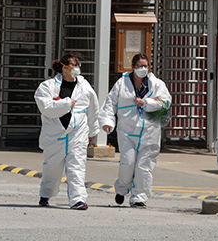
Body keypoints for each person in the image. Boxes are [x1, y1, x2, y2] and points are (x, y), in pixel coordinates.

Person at [99, 53, 172, 208]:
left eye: (146, 66)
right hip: (127, 131)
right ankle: (122, 188)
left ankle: (139, 197)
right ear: (133, 67)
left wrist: (146, 103)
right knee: (128, 163)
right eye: (140, 66)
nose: (143, 69)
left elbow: (166, 102)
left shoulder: (157, 84)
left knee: (144, 167)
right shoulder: (122, 83)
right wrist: (107, 122)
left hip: (150, 132)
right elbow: (110, 103)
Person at [34, 52, 99, 210]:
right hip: (55, 135)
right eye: (73, 65)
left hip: (78, 133)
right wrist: (67, 103)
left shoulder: (85, 87)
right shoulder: (47, 86)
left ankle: (78, 199)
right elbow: (46, 108)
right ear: (64, 68)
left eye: (78, 65)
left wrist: (93, 132)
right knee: (52, 168)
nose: (77, 68)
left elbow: (93, 110)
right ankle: (46, 193)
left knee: (77, 166)